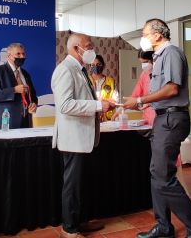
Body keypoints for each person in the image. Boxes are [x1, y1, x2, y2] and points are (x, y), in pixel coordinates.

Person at [124, 19, 191, 238]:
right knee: (157, 173)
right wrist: (141, 101)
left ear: (157, 35)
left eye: (144, 34)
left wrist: (141, 100)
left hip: (172, 119)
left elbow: (172, 89)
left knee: (164, 176)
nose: (142, 38)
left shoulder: (172, 53)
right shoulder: (158, 56)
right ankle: (163, 226)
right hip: (162, 118)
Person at [52, 33, 115, 238]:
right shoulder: (65, 70)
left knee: (81, 183)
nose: (92, 50)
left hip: (84, 137)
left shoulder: (80, 69)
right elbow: (65, 105)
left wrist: (100, 108)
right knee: (72, 185)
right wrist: (98, 105)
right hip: (73, 139)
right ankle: (69, 229)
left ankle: (79, 221)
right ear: (76, 48)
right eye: (88, 46)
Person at [0, 42, 38, 129]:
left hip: (25, 123)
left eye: (23, 54)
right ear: (9, 56)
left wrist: (33, 104)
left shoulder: (25, 74)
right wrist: (14, 90)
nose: (22, 56)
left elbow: (32, 95)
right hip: (4, 123)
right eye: (18, 54)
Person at [89, 55, 119, 122]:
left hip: (107, 120)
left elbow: (115, 101)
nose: (96, 67)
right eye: (93, 65)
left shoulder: (111, 81)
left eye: (98, 64)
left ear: (103, 65)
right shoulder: (86, 80)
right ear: (90, 66)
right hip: (91, 119)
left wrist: (103, 103)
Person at [131, 50, 156, 126]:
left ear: (153, 59)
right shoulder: (144, 74)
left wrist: (149, 102)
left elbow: (167, 94)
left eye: (145, 62)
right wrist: (122, 108)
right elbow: (134, 97)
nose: (143, 65)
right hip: (147, 119)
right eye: (142, 62)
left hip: (160, 117)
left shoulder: (161, 73)